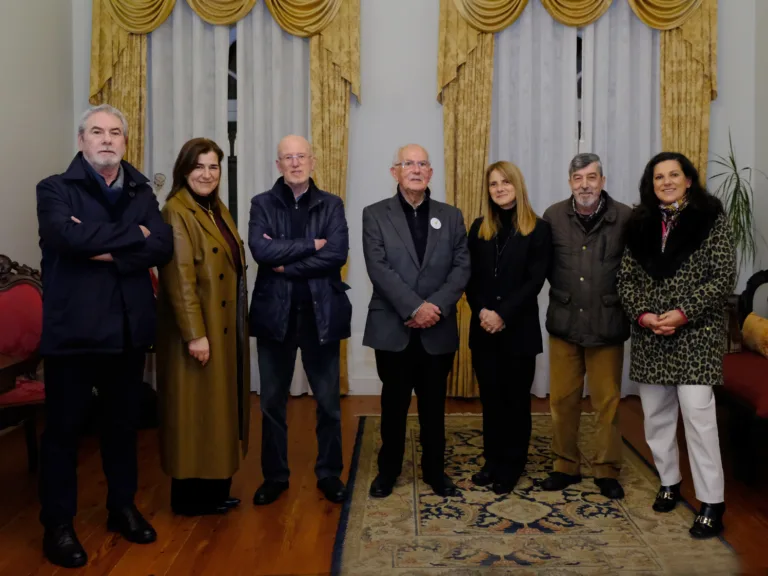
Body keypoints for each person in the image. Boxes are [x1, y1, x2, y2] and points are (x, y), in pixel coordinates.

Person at [36, 104, 173, 568]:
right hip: (73, 332)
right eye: (97, 131)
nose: (107, 139)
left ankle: (122, 507)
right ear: (82, 140)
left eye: (115, 132)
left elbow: (161, 245)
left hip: (128, 331)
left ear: (125, 142)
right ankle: (58, 525)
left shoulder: (140, 189)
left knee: (122, 428)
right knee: (63, 433)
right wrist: (132, 237)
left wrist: (97, 242)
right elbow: (64, 238)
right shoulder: (54, 189)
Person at [617, 152, 735, 538]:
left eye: (673, 175)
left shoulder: (711, 218)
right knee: (656, 418)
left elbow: (723, 277)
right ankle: (669, 481)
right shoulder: (639, 224)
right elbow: (625, 280)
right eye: (658, 177)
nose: (666, 182)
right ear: (650, 185)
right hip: (651, 335)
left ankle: (712, 502)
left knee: (699, 420)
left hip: (696, 335)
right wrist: (644, 315)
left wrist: (683, 313)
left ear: (688, 180)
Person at [362, 144, 471, 499]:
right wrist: (413, 309)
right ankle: (388, 471)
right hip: (393, 328)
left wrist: (433, 307)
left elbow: (462, 267)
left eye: (422, 163)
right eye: (408, 163)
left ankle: (435, 471)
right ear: (394, 172)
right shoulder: (374, 215)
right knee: (393, 405)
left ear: (430, 173)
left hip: (437, 328)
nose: (416, 169)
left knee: (434, 406)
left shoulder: (451, 216)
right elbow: (378, 268)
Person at [248, 135, 351, 505]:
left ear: (313, 161)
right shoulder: (261, 203)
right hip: (274, 316)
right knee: (271, 404)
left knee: (329, 404)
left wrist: (286, 264)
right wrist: (311, 245)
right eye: (287, 157)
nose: (295, 163)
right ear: (278, 165)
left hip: (321, 316)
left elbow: (336, 254)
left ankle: (329, 473)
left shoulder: (331, 204)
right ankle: (275, 477)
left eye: (301, 156)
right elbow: (261, 250)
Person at [156, 138, 251, 516]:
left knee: (217, 412)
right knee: (193, 414)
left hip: (222, 325)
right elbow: (180, 278)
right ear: (184, 170)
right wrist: (195, 335)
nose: (207, 174)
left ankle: (214, 491)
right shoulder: (175, 211)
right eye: (199, 167)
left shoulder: (215, 207)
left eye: (213, 167)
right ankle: (189, 499)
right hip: (197, 331)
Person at [541, 152, 631, 499]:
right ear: (570, 183)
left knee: (607, 401)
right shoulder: (553, 216)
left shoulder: (625, 217)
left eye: (591, 177)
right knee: (562, 400)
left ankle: (606, 469)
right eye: (578, 179)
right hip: (564, 322)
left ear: (602, 181)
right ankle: (565, 465)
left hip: (607, 323)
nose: (585, 185)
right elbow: (542, 265)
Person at [466, 161, 551, 495]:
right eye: (493, 184)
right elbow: (469, 277)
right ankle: (492, 461)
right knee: (491, 400)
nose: (499, 188)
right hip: (483, 329)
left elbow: (534, 281)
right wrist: (483, 311)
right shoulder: (479, 228)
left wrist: (502, 314)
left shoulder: (538, 229)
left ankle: (512, 465)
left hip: (518, 330)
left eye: (505, 182)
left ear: (518, 185)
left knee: (515, 402)